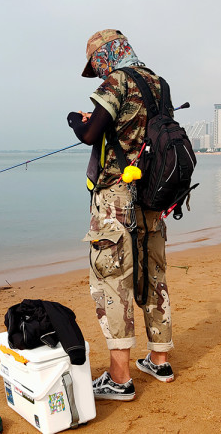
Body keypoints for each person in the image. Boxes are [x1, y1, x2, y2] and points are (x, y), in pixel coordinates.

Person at [67, 29, 174, 402]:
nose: (97, 72)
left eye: (96, 63)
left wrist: (74, 120)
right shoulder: (158, 83)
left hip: (116, 197)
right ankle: (159, 359)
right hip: (154, 196)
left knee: (113, 280)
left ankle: (120, 378)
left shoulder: (117, 81)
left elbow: (90, 133)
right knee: (153, 273)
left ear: (107, 55)